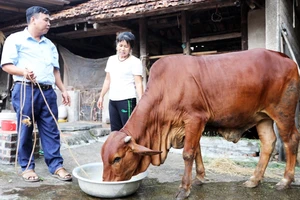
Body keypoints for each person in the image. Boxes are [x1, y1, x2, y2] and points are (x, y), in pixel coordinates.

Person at [0, 6, 72, 182]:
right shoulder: (15, 39)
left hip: (48, 92)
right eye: (46, 20)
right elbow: (6, 66)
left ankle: (56, 166)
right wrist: (23, 72)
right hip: (25, 89)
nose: (49, 23)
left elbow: (55, 72)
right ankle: (27, 167)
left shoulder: (50, 45)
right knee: (26, 129)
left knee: (51, 130)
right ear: (33, 19)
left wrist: (63, 90)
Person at [97, 32, 144, 131]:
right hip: (113, 100)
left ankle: (131, 147)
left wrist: (142, 100)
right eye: (120, 45)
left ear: (130, 48)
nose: (122, 49)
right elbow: (107, 80)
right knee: (115, 131)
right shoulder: (111, 60)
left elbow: (138, 83)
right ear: (117, 45)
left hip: (127, 100)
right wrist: (101, 96)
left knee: (128, 130)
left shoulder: (135, 62)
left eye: (126, 46)